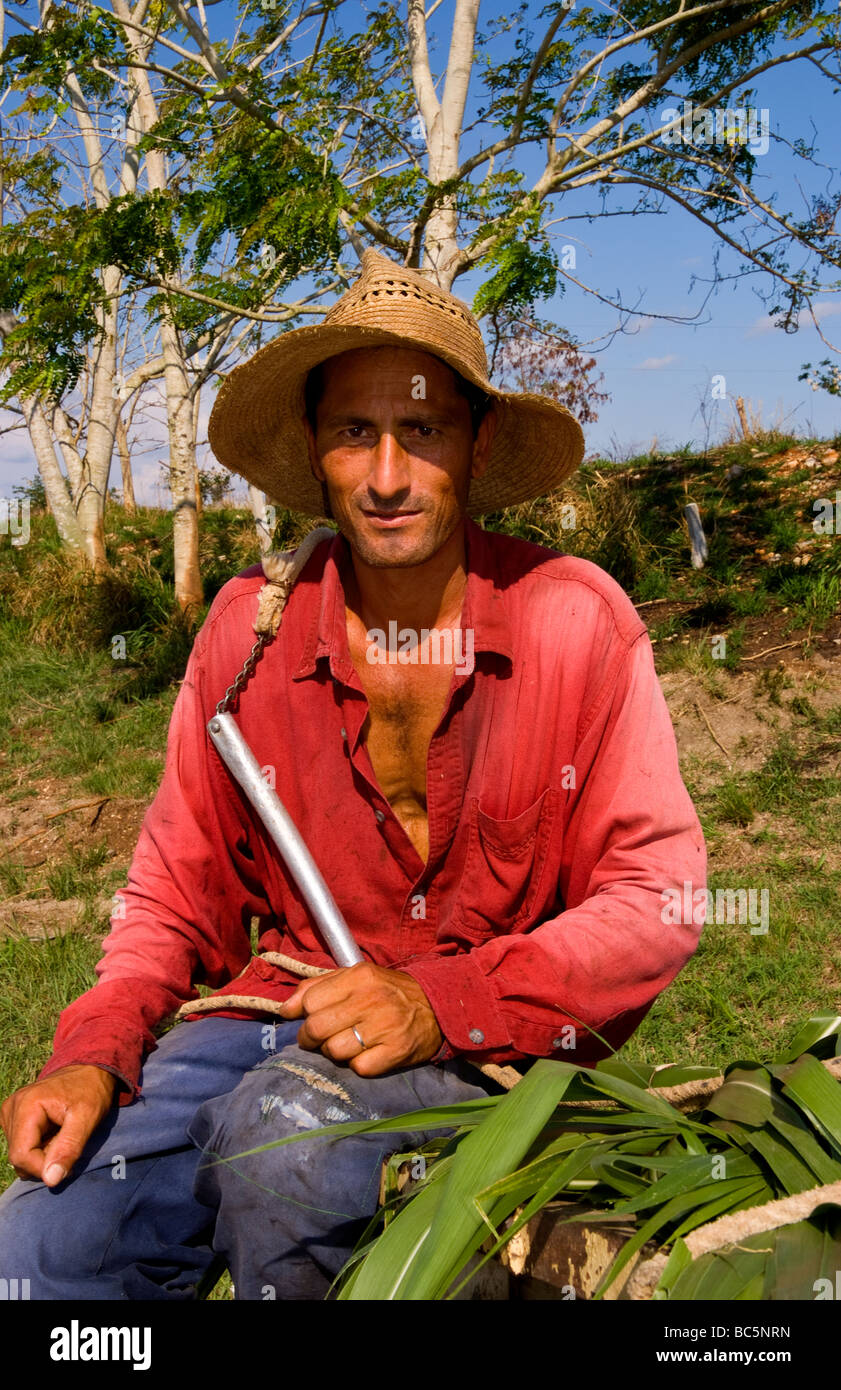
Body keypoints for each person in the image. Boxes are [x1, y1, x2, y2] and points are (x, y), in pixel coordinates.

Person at [0, 250, 705, 1299]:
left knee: (288, 1148)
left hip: (479, 1041)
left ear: (477, 443)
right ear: (315, 453)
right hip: (265, 1018)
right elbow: (172, 892)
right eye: (353, 433)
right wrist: (93, 1048)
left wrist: (438, 997)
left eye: (421, 431)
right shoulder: (250, 629)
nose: (385, 476)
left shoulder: (574, 621)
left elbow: (655, 898)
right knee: (36, 1248)